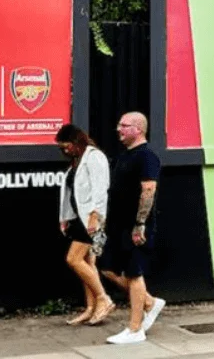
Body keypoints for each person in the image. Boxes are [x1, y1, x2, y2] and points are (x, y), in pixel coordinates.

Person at [98, 112, 166, 345]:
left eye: (124, 125)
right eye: (119, 124)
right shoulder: (125, 155)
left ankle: (135, 329)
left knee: (134, 273)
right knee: (107, 267)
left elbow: (148, 191)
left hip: (136, 227)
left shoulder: (147, 157)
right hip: (118, 226)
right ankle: (148, 302)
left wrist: (140, 224)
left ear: (138, 129)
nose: (118, 129)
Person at [56, 123, 115, 326]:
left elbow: (101, 188)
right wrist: (65, 218)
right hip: (79, 219)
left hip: (90, 218)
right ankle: (90, 308)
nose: (64, 150)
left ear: (76, 141)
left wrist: (95, 216)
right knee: (88, 263)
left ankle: (103, 299)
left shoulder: (94, 157)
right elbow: (72, 195)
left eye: (66, 146)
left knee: (73, 259)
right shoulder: (77, 161)